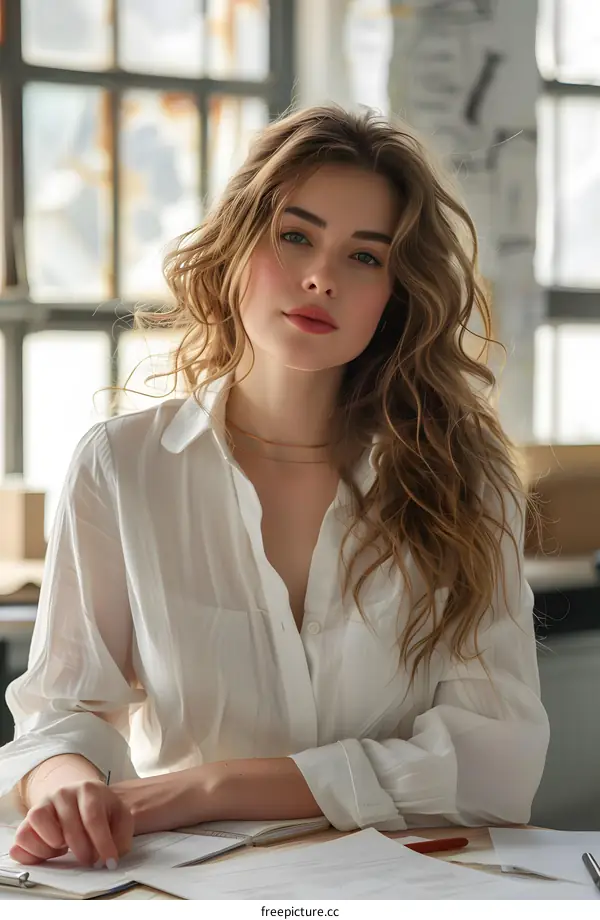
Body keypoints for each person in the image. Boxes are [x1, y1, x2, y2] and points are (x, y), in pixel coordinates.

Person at [0, 105, 549, 870]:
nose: (321, 275)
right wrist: (69, 784)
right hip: (183, 891)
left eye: (365, 257)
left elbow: (496, 758)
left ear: (397, 291)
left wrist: (207, 788)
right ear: (235, 247)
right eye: (296, 236)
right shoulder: (122, 465)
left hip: (408, 891)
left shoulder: (467, 477)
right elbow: (62, 712)